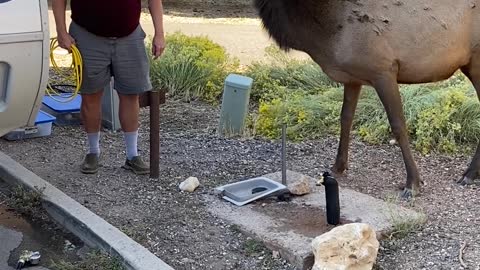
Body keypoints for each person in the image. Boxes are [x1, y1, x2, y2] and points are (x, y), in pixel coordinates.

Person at [52, 0, 165, 175]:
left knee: (130, 95)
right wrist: (61, 31)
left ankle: (132, 155)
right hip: (87, 36)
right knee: (91, 96)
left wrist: (160, 34)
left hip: (129, 35)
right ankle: (93, 152)